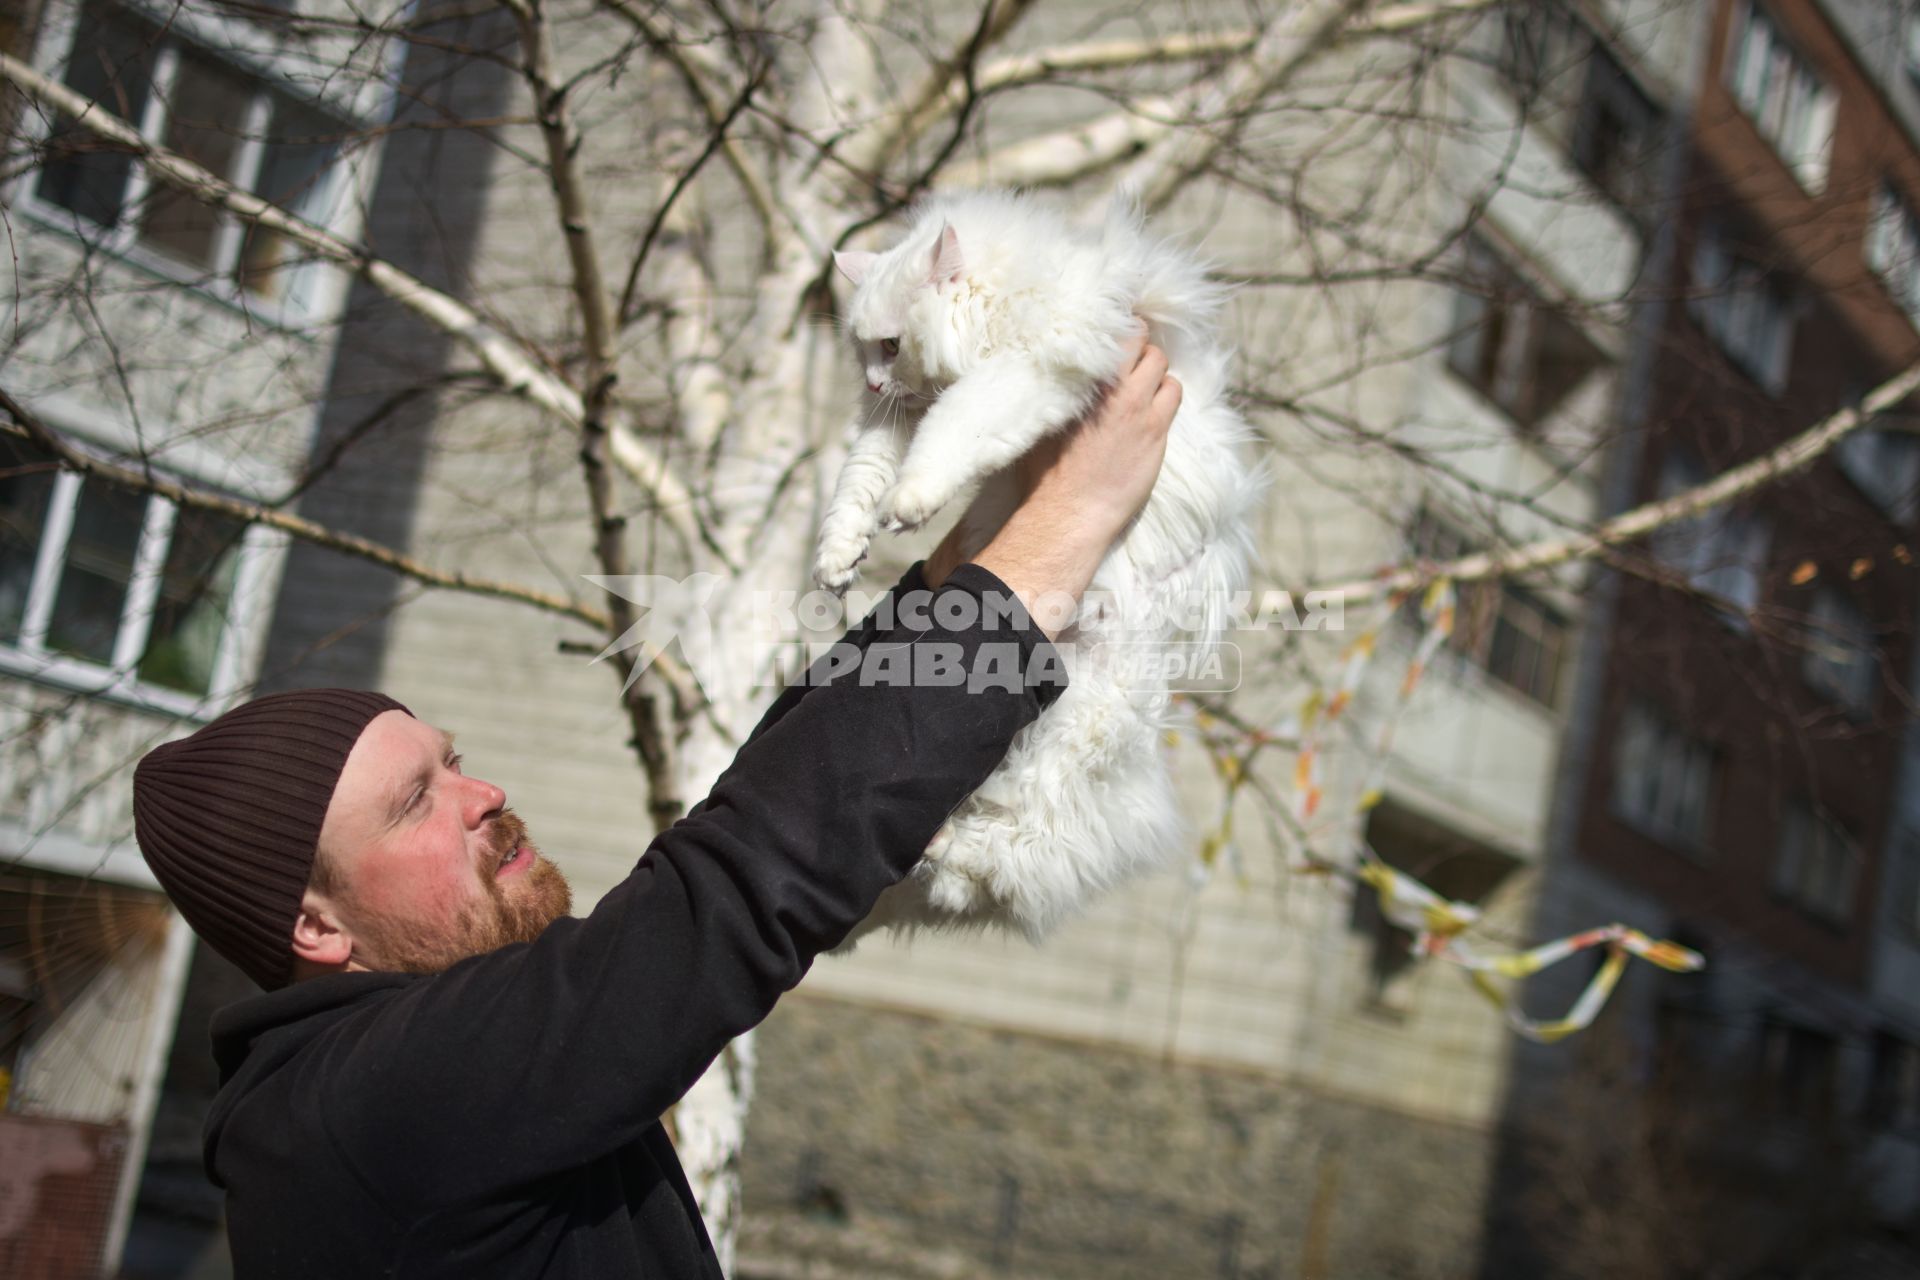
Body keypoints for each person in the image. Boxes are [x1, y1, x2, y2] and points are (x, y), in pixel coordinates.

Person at [130, 341, 1182, 1278]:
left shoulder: (378, 1088)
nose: (482, 796)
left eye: (453, 762)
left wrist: (975, 548)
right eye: (415, 803)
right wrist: (1068, 528)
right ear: (316, 924)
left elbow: (742, 808)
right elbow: (728, 885)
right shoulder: (366, 1106)